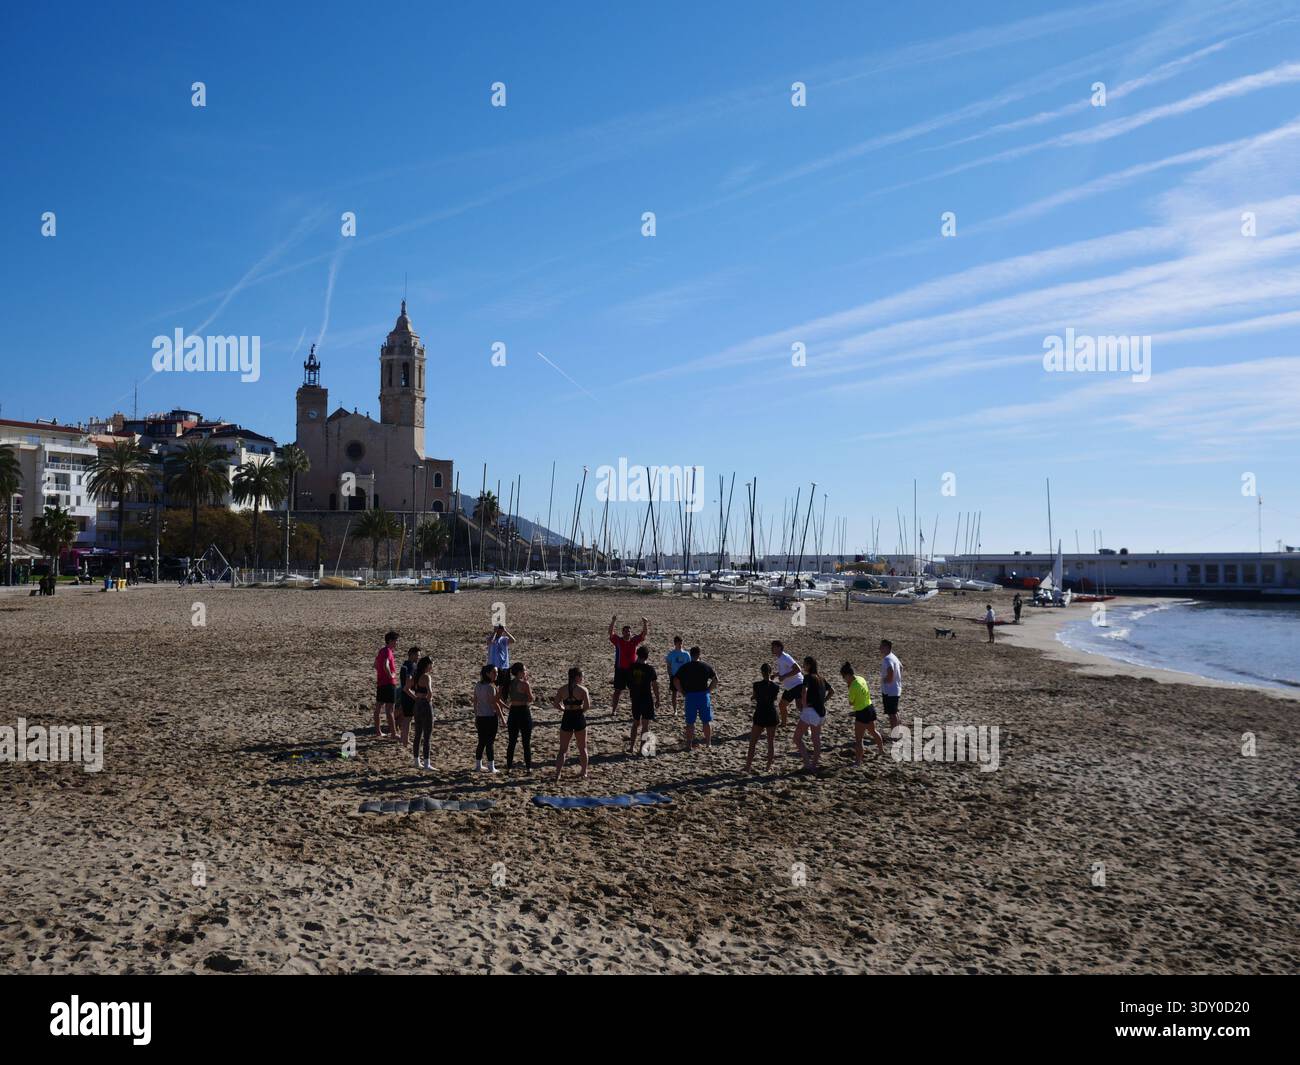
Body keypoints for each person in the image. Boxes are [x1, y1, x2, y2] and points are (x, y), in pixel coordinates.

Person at [673, 646, 717, 751]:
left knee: (690, 723)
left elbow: (675, 680)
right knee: (706, 721)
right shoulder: (705, 666)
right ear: (699, 654)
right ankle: (708, 743)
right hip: (703, 695)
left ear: (690, 655)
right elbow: (716, 679)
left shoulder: (685, 667)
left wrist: (682, 691)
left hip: (690, 696)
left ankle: (689, 744)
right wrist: (709, 690)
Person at [552, 667, 592, 783]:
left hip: (567, 717)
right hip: (578, 717)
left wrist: (564, 709)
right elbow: (587, 706)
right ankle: (584, 772)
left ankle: (558, 774)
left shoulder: (562, 689)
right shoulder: (583, 690)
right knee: (582, 748)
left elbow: (556, 704)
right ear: (577, 677)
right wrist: (580, 712)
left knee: (563, 749)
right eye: (582, 676)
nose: (583, 679)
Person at [841, 661, 884, 763]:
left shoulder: (852, 687)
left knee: (859, 739)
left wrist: (849, 688)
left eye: (844, 677)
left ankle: (858, 760)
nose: (844, 680)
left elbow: (851, 703)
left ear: (847, 675)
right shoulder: (861, 678)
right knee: (873, 731)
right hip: (870, 708)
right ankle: (881, 750)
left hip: (862, 712)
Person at [794, 656, 831, 771]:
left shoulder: (808, 677)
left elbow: (804, 691)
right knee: (816, 739)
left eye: (805, 664)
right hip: (821, 712)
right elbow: (832, 691)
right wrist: (823, 701)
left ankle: (807, 763)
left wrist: (804, 704)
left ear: (809, 665)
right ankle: (813, 764)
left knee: (797, 738)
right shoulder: (821, 678)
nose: (803, 666)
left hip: (810, 712)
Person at [608, 615, 648, 716]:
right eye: (625, 631)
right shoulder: (618, 641)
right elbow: (611, 633)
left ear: (631, 633)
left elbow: (643, 635)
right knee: (617, 691)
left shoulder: (634, 641)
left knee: (635, 691)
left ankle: (636, 710)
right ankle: (613, 710)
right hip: (620, 669)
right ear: (623, 633)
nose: (627, 633)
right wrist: (613, 621)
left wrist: (645, 623)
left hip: (633, 670)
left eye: (629, 631)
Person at [625, 644, 660, 756]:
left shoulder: (631, 667)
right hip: (646, 698)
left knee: (635, 723)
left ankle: (631, 747)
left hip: (635, 698)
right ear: (647, 656)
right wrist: (658, 698)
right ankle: (641, 749)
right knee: (645, 725)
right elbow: (654, 685)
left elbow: (628, 683)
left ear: (637, 654)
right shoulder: (650, 669)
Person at [745, 662, 780, 772]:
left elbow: (754, 696)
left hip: (760, 713)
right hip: (771, 713)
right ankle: (768, 767)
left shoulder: (756, 685)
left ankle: (748, 766)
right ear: (770, 672)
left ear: (761, 672)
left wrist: (753, 697)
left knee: (753, 742)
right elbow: (774, 699)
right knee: (770, 742)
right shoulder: (776, 687)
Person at [474, 665, 506, 773]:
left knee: (481, 741)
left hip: (480, 717)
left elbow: (475, 700)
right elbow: (495, 704)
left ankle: (478, 765)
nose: (496, 674)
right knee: (490, 742)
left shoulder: (478, 685)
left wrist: (476, 714)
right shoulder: (490, 687)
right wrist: (502, 718)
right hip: (490, 717)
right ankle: (491, 766)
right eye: (493, 672)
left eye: (496, 672)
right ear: (487, 673)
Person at [504, 662, 535, 773]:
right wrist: (527, 684)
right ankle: (528, 768)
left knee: (512, 741)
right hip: (523, 711)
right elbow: (531, 699)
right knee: (526, 742)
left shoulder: (509, 683)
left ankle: (509, 767)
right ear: (520, 672)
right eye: (524, 670)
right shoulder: (524, 684)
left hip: (513, 711)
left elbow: (500, 698)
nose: (526, 672)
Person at [407, 655, 435, 769]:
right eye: (431, 665)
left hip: (417, 704)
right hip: (425, 704)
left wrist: (416, 698)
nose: (432, 667)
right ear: (427, 665)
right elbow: (430, 692)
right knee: (427, 735)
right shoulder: (426, 677)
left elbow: (406, 689)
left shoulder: (416, 675)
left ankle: (416, 761)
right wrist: (428, 700)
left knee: (417, 734)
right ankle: (427, 763)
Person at [373, 631, 400, 741]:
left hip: (380, 683)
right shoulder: (388, 651)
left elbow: (375, 665)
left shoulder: (381, 651)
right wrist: (390, 675)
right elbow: (385, 664)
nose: (397, 643)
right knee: (390, 710)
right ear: (390, 641)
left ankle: (378, 731)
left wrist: (382, 674)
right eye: (395, 641)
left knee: (378, 708)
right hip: (389, 684)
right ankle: (393, 734)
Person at [771, 640, 804, 727]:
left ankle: (808, 724)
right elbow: (785, 671)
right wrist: (776, 675)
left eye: (773, 647)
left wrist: (784, 676)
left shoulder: (785, 657)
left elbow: (798, 669)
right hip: (790, 686)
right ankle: (784, 724)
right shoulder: (780, 658)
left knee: (800, 706)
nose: (771, 649)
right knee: (782, 705)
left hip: (798, 684)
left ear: (779, 647)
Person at [395, 645, 421, 747]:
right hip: (408, 695)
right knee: (408, 719)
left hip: (404, 693)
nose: (418, 657)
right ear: (412, 655)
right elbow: (408, 681)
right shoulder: (411, 666)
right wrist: (414, 696)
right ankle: (405, 740)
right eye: (417, 655)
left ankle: (403, 738)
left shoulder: (405, 664)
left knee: (404, 718)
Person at [487, 624, 515, 706]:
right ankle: (495, 704)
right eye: (499, 628)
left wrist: (505, 631)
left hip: (504, 666)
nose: (500, 630)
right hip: (493, 667)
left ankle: (503, 704)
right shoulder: (491, 638)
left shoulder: (504, 639)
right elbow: (490, 641)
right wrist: (495, 632)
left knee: (504, 687)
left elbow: (513, 640)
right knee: (494, 687)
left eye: (501, 629)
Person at [880, 639, 903, 733]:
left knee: (892, 714)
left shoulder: (887, 659)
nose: (880, 648)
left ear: (887, 647)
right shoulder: (893, 656)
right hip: (896, 689)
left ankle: (895, 734)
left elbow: (890, 671)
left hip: (889, 691)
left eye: (881, 646)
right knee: (895, 712)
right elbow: (901, 667)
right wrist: (897, 678)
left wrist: (886, 679)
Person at [664, 636, 691, 714]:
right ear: (675, 643)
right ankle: (675, 710)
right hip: (674, 676)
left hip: (684, 677)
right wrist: (670, 675)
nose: (680, 644)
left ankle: (687, 709)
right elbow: (668, 666)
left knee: (686, 693)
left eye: (681, 642)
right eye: (679, 643)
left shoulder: (686, 654)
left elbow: (689, 665)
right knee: (674, 693)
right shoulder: (671, 654)